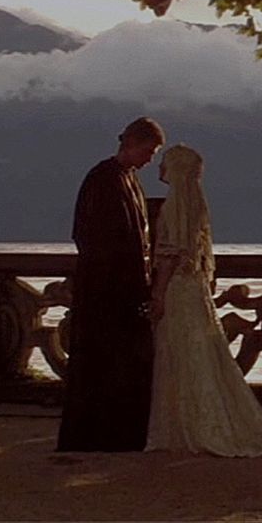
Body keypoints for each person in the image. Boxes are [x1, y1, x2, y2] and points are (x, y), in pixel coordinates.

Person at [146, 144, 262, 457]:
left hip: (177, 289)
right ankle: (204, 421)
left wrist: (158, 293)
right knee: (199, 352)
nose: (160, 169)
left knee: (179, 351)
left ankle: (184, 425)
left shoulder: (174, 205)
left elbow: (169, 256)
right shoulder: (196, 204)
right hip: (194, 289)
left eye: (165, 163)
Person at [57, 117, 166, 452]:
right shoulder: (103, 179)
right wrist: (115, 278)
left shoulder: (128, 179)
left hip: (125, 289)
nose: (150, 159)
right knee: (104, 363)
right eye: (148, 151)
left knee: (124, 365)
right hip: (104, 291)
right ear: (132, 143)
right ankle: (97, 434)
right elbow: (90, 236)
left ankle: (120, 433)